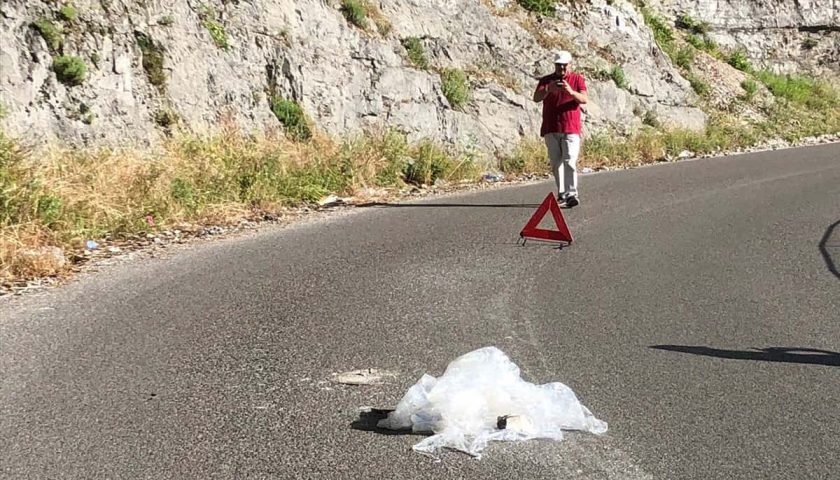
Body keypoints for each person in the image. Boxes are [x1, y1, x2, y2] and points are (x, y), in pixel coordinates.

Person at [533, 50, 588, 207]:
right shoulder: (546, 80)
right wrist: (548, 89)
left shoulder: (577, 79)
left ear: (570, 64)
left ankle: (572, 193)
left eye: (564, 65)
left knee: (569, 160)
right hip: (551, 128)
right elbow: (536, 97)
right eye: (559, 65)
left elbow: (584, 99)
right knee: (556, 163)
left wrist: (570, 91)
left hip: (570, 127)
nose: (561, 68)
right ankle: (562, 193)